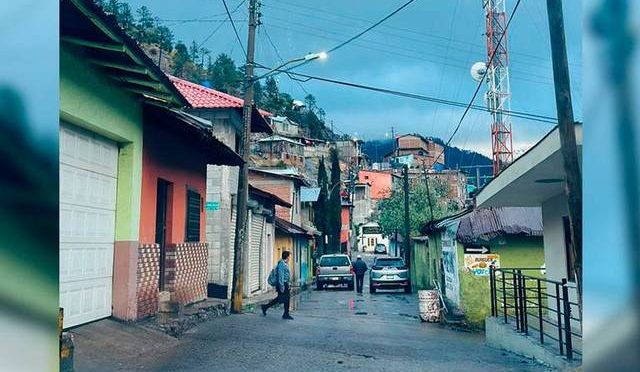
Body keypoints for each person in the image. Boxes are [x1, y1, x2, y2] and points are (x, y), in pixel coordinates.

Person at [262, 251, 293, 320]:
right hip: (282, 284)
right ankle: (285, 314)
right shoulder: (281, 264)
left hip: (285, 284)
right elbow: (281, 276)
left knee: (283, 299)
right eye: (289, 257)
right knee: (283, 299)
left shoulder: (284, 264)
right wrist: (282, 287)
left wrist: (288, 284)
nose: (289, 258)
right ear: (287, 257)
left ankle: (266, 307)